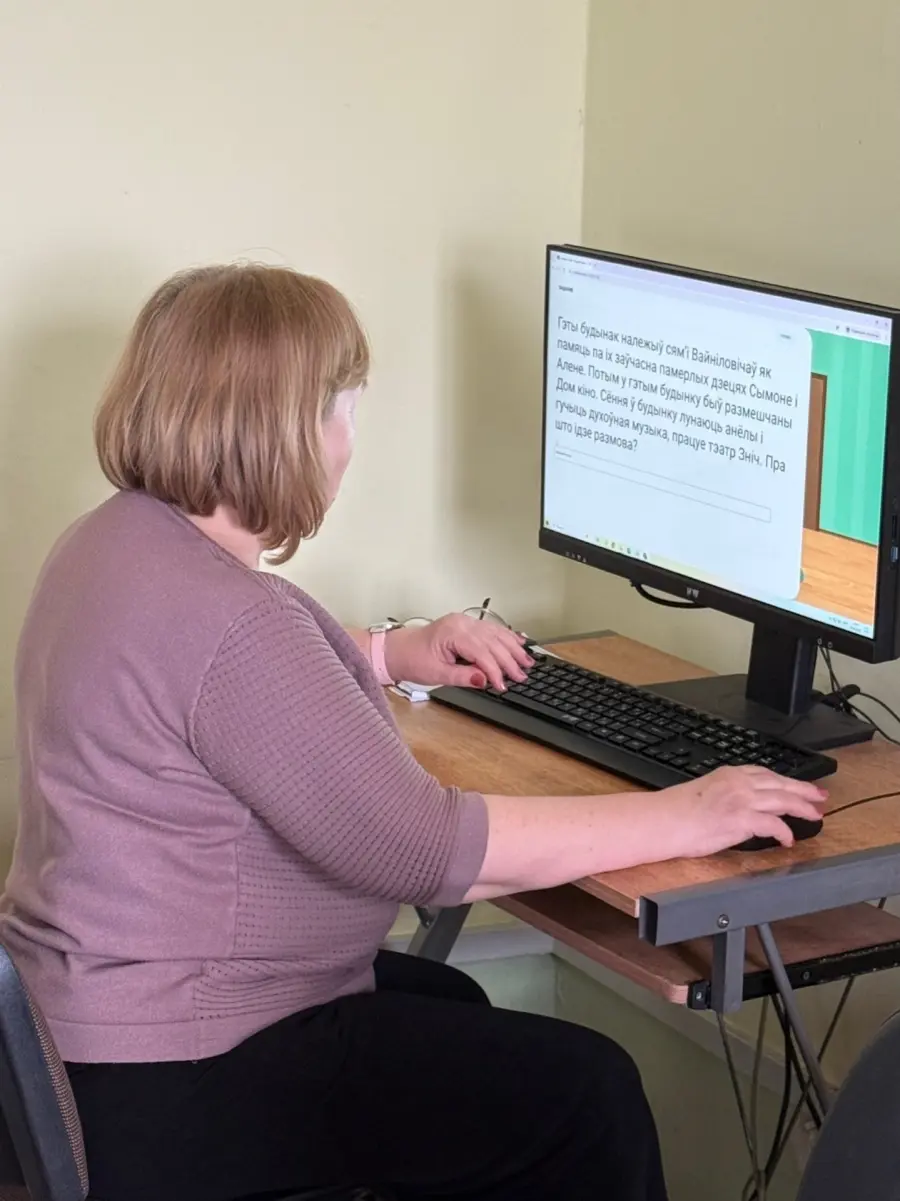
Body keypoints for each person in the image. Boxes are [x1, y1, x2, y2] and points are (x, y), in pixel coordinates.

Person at [0, 265, 826, 1201]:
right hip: (174, 1074)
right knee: (588, 1094)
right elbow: (432, 853)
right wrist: (690, 811)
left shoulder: (110, 544)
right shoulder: (234, 621)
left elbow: (204, 692)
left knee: (452, 1002)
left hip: (71, 1036)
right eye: (343, 407)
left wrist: (392, 652)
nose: (350, 440)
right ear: (283, 429)